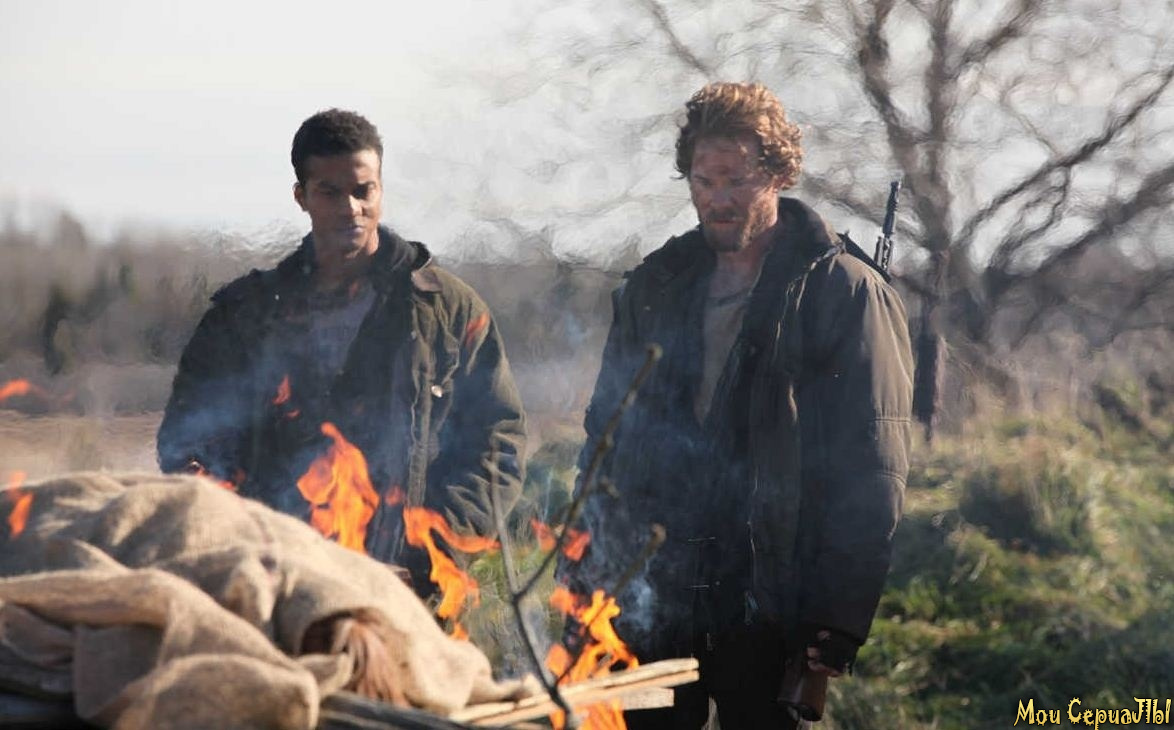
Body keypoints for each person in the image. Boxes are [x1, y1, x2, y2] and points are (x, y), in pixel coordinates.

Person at [561, 82, 914, 728]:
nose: (717, 199)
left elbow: (871, 468)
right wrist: (582, 571)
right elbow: (606, 442)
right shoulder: (654, 287)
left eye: (736, 180)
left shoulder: (840, 292)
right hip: (653, 596)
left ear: (778, 174)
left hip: (769, 599)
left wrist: (837, 617)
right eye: (703, 181)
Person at [157, 109, 525, 590]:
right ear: (302, 197)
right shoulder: (245, 317)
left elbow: (497, 443)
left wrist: (432, 555)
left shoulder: (448, 311)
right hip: (272, 589)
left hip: (408, 591)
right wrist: (242, 545)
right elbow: (188, 443)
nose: (350, 208)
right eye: (330, 192)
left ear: (381, 191)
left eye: (363, 190)